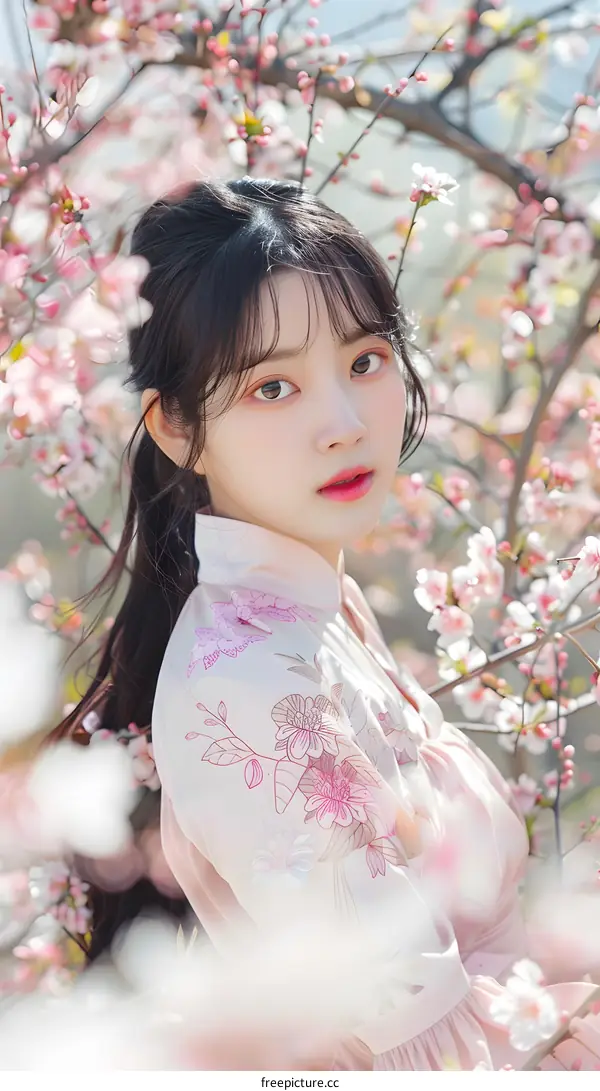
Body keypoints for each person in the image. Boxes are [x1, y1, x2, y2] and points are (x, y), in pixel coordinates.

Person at [49, 177, 600, 1070]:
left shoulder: (311, 609)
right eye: (272, 388)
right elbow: (431, 1057)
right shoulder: (251, 680)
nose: (343, 423)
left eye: (364, 361)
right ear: (179, 428)